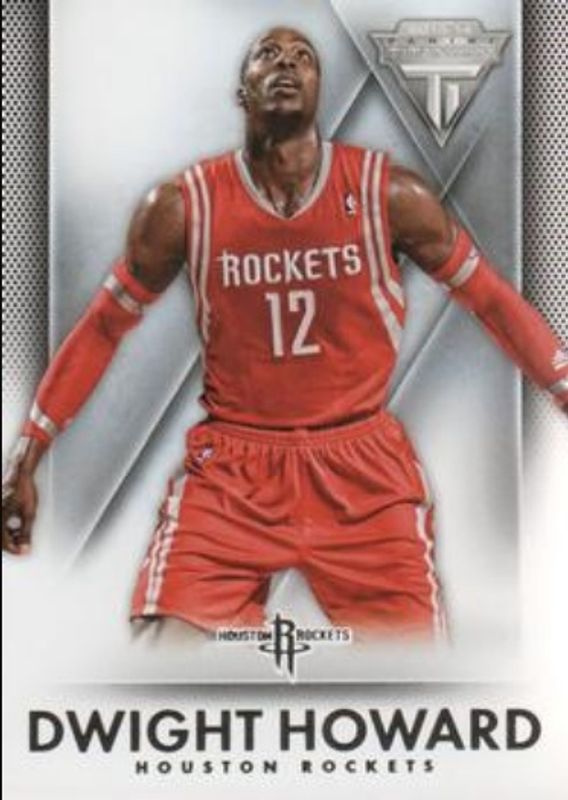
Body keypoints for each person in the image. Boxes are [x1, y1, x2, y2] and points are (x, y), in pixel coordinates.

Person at [2, 28, 567, 638]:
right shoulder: (182, 206)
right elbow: (103, 327)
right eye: (268, 55)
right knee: (160, 657)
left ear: (320, 89)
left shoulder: (388, 194)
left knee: (419, 678)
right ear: (241, 90)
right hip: (235, 473)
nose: (287, 64)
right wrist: (26, 455)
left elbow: (490, 299)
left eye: (303, 57)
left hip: (361, 469)